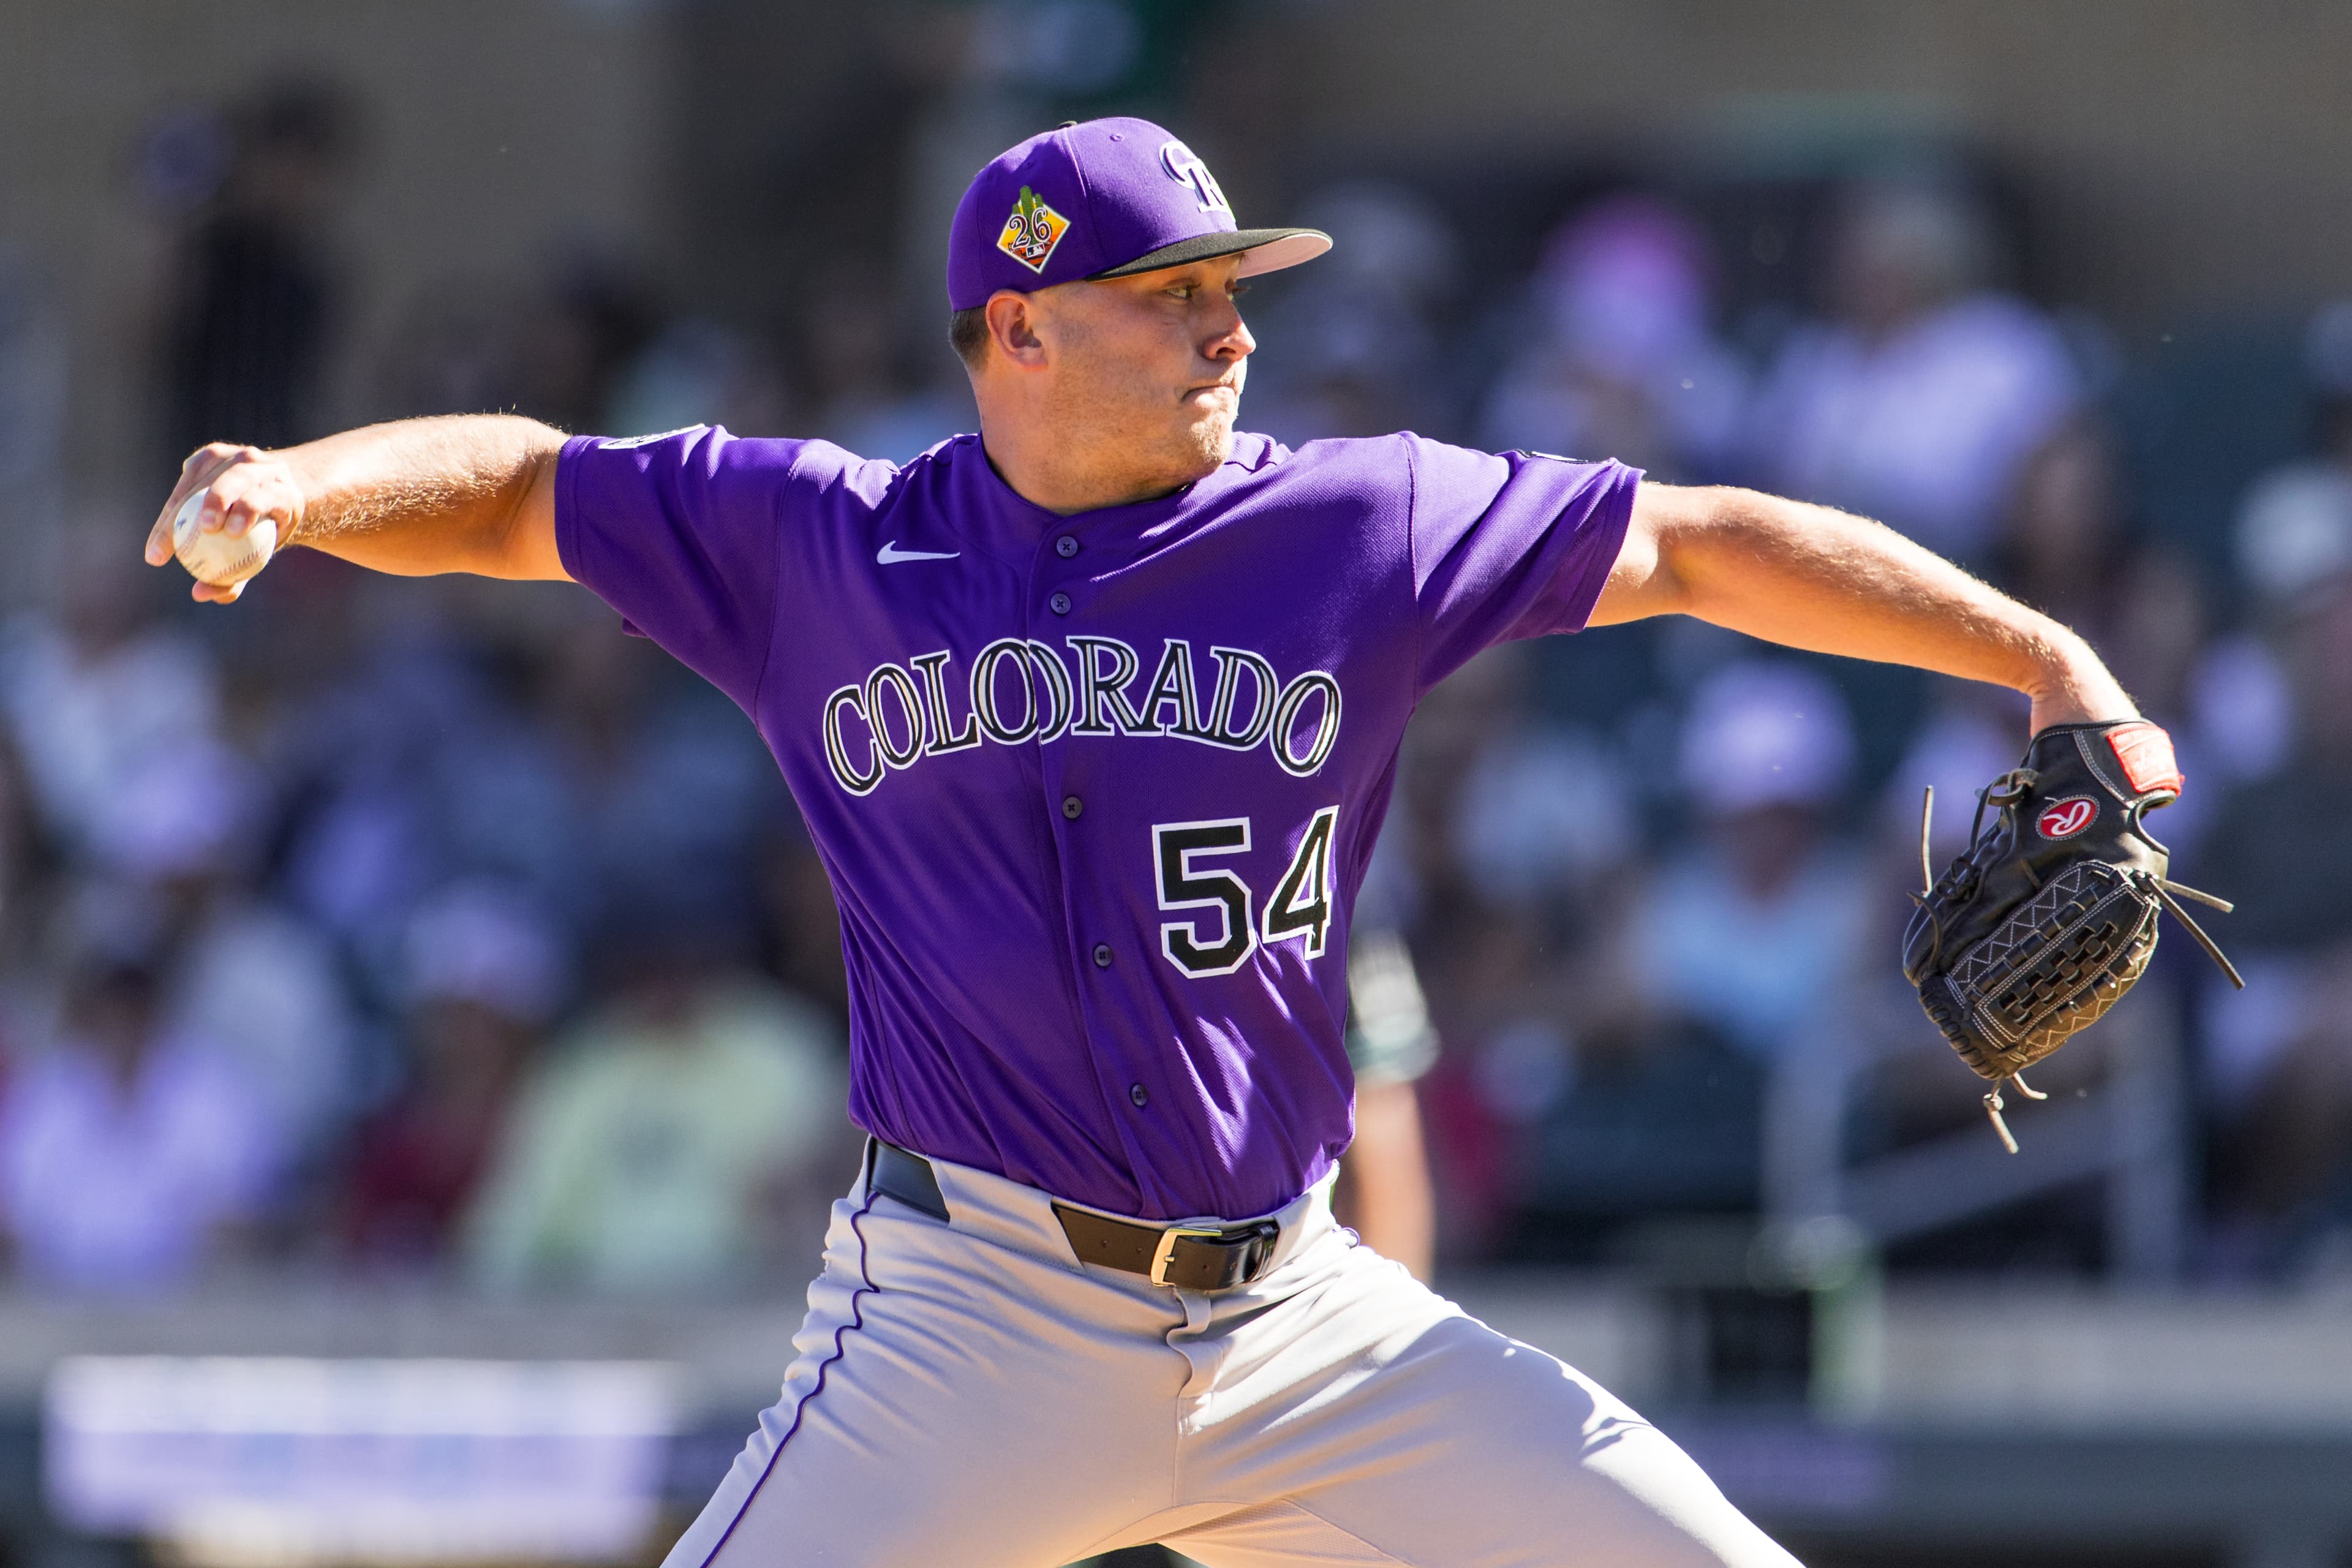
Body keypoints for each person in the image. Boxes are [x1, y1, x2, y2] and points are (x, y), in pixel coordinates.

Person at [148, 117, 2146, 1568]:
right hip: (970, 1326)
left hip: (1308, 1321)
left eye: (1233, 293)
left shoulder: (1356, 523)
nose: (1232, 332)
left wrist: (2042, 650)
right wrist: (300, 489)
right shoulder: (817, 543)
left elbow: (1700, 541)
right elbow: (523, 486)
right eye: (1172, 295)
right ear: (1016, 331)